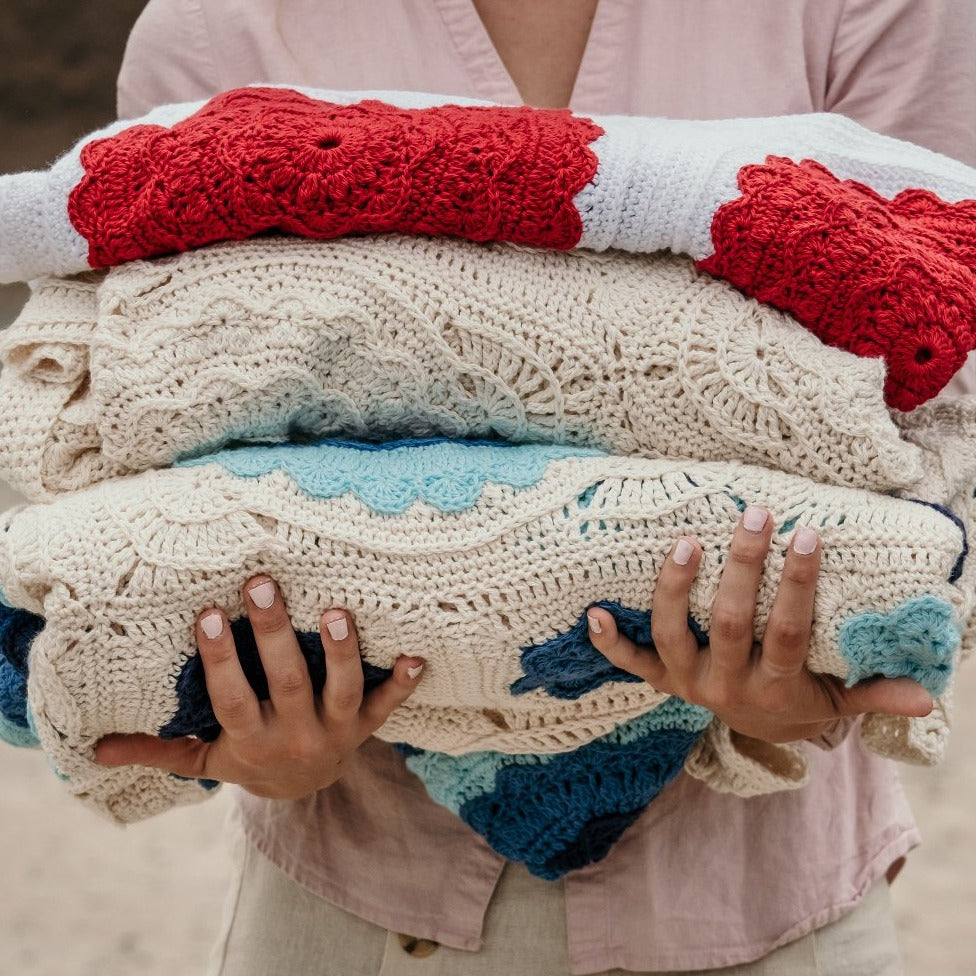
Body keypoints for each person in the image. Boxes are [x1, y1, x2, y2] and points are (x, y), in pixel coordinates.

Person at [94, 1, 976, 973]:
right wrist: (240, 734)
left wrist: (812, 698)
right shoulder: (220, 24)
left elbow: (939, 416)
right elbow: (148, 446)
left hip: (771, 911)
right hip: (355, 918)